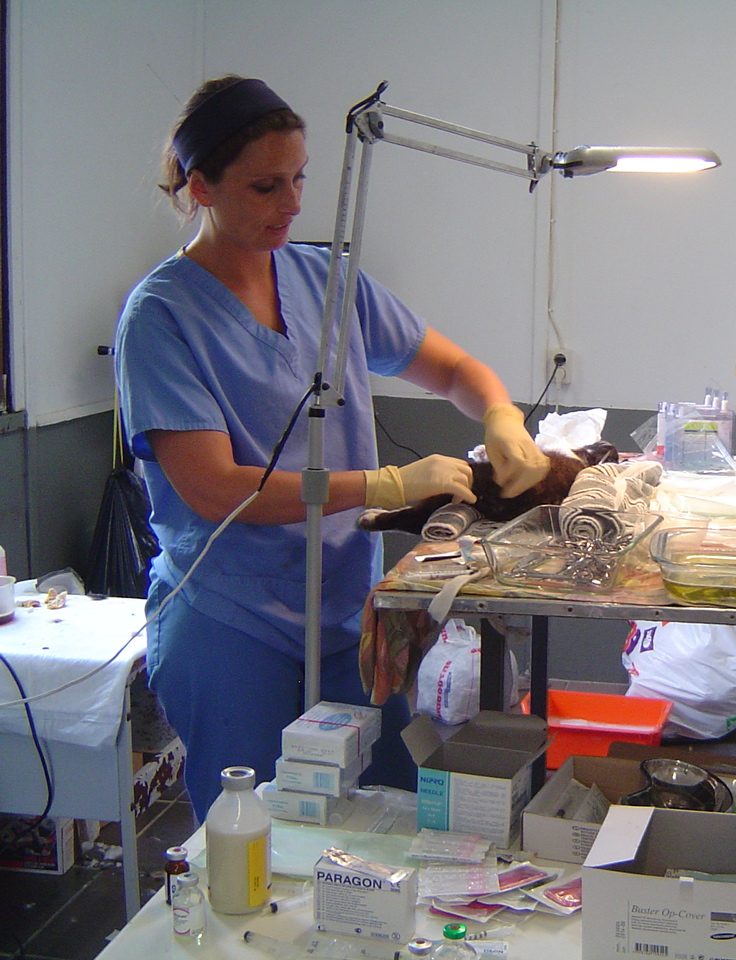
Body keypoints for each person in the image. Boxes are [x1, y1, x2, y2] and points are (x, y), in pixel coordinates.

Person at [115, 76, 549, 821]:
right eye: (265, 186)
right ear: (201, 186)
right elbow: (216, 488)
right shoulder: (161, 318)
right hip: (230, 621)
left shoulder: (326, 279)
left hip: (346, 613)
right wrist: (382, 486)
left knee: (385, 821)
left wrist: (501, 414)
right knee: (256, 835)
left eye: (300, 179)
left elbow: (451, 368)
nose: (291, 204)